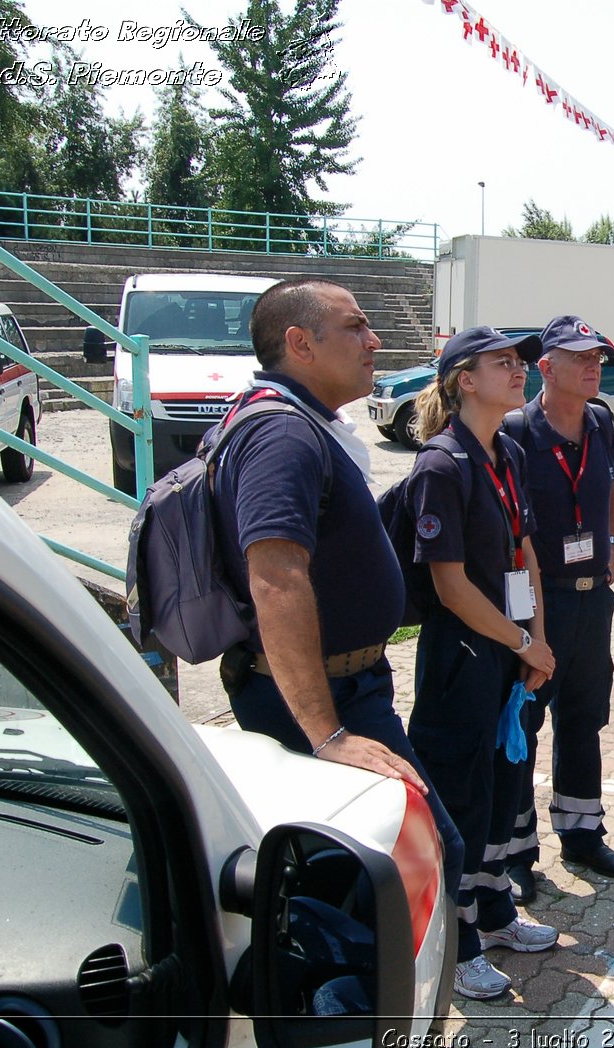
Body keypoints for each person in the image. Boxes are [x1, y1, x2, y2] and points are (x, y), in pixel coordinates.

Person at [211, 277, 464, 990]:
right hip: (328, 701)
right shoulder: (280, 433)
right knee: (410, 857)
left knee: (355, 876)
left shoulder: (300, 420)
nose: (373, 341)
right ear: (299, 343)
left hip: (347, 688)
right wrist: (327, 734)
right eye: (354, 327)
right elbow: (276, 579)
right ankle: (357, 1024)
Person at [402, 326, 561, 1001]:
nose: (518, 370)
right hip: (460, 658)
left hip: (506, 652)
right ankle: (455, 944)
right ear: (464, 380)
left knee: (500, 789)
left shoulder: (509, 452)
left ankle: (494, 912)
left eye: (520, 360)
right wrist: (522, 643)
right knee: (459, 802)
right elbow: (451, 587)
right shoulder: (440, 465)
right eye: (503, 362)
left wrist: (537, 639)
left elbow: (523, 551)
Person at [502, 316, 614, 898]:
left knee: (584, 719)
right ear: (546, 369)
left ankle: (581, 833)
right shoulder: (514, 432)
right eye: (580, 357)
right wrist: (525, 624)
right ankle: (515, 850)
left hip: (591, 602)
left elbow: (613, 485)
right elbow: (503, 528)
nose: (593, 365)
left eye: (598, 357)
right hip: (538, 603)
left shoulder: (601, 420)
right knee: (522, 728)